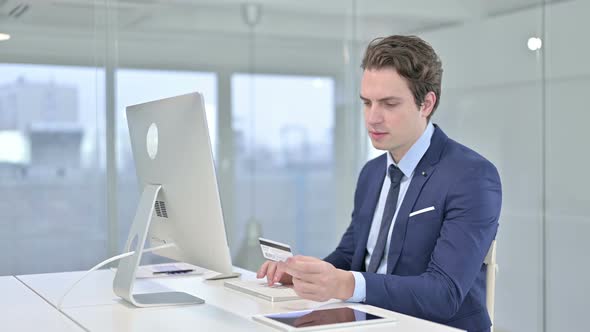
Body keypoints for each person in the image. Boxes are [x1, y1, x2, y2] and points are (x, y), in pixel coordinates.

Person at [257, 35, 501, 332]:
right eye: (367, 103)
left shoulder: (471, 176)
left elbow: (444, 293)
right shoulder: (372, 173)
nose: (373, 118)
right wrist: (303, 274)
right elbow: (350, 257)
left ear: (426, 103)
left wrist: (345, 283)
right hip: (369, 322)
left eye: (389, 104)